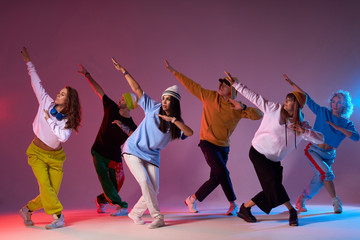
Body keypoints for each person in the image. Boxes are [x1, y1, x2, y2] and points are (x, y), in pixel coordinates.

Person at [165, 60, 263, 215]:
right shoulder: (210, 97)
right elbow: (192, 86)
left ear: (233, 90)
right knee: (223, 173)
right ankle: (233, 204)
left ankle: (191, 199)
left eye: (225, 85)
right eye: (221, 84)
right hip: (207, 143)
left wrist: (243, 107)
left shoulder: (237, 107)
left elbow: (259, 115)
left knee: (216, 177)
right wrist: (174, 72)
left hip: (224, 146)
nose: (221, 86)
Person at [226, 72, 324, 226]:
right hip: (258, 153)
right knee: (274, 185)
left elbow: (320, 139)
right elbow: (255, 97)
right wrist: (236, 84)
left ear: (297, 105)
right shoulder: (273, 108)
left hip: (275, 161)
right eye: (286, 99)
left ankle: (245, 208)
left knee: (272, 190)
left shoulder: (301, 126)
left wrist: (303, 131)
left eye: (290, 101)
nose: (285, 102)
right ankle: (292, 211)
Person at [112, 58, 193, 229]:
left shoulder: (176, 124)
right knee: (144, 182)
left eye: (168, 99)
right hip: (133, 150)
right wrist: (124, 71)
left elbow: (189, 133)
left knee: (153, 190)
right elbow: (137, 89)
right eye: (163, 98)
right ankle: (158, 217)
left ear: (175, 103)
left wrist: (173, 120)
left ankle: (134, 213)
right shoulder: (153, 107)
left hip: (152, 156)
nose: (164, 101)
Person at [19, 47, 82, 229]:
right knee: (46, 188)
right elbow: (36, 83)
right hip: (36, 154)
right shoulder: (46, 102)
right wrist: (29, 63)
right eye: (59, 92)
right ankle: (58, 217)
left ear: (68, 101)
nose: (58, 94)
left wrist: (49, 120)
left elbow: (62, 137)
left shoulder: (68, 121)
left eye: (62, 94)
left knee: (49, 192)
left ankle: (27, 209)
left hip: (56, 159)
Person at [284, 75, 359, 214]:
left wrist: (340, 129)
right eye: (333, 101)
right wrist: (293, 84)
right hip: (314, 150)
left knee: (319, 179)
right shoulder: (323, 112)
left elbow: (356, 137)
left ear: (345, 105)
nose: (335, 104)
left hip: (329, 155)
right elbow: (307, 98)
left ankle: (302, 199)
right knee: (327, 174)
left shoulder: (347, 123)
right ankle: (336, 201)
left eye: (339, 102)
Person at [77, 64, 138, 216]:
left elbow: (136, 138)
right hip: (98, 151)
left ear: (129, 105)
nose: (120, 99)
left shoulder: (132, 125)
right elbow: (99, 91)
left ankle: (100, 200)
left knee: (116, 186)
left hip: (115, 156)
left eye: (124, 99)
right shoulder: (111, 108)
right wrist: (87, 75)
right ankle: (122, 206)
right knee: (105, 181)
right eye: (121, 97)